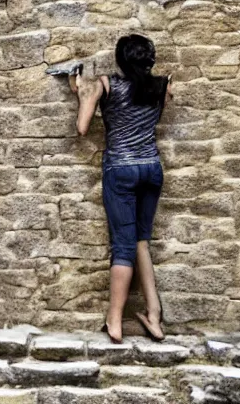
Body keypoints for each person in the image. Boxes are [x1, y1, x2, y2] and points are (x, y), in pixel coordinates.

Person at [70, 34, 172, 343]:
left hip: (122, 170)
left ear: (121, 60)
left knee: (123, 247)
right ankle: (153, 316)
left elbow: (82, 127)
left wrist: (83, 95)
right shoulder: (163, 85)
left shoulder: (106, 84)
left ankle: (114, 321)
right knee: (141, 241)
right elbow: (148, 113)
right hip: (152, 169)